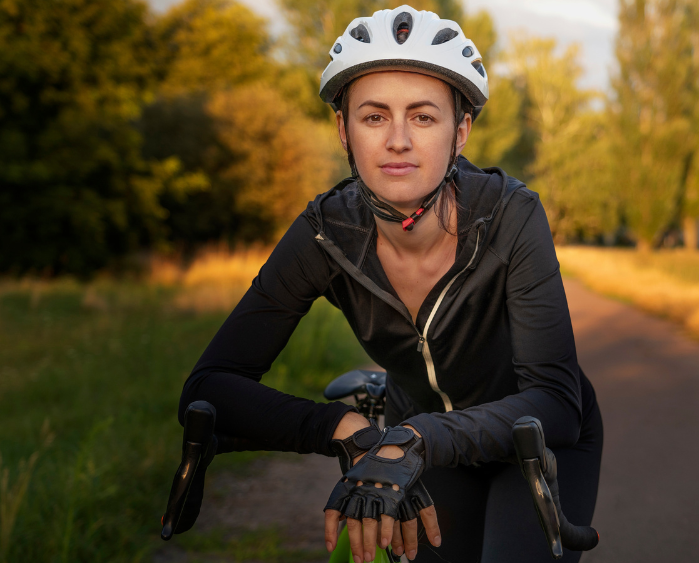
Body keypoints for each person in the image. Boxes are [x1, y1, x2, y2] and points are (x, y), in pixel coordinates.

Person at [178, 5, 602, 562]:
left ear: (461, 130)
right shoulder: (325, 234)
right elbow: (209, 385)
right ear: (343, 130)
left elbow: (554, 401)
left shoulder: (509, 216)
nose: (398, 140)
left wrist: (418, 436)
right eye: (374, 117)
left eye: (423, 117)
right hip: (412, 444)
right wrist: (345, 429)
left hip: (530, 441)